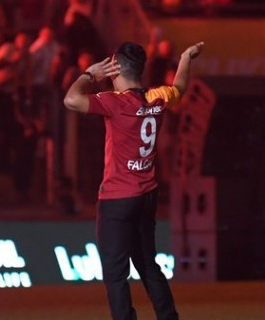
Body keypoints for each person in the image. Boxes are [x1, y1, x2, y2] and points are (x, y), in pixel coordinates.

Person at [63, 40, 205, 320]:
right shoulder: (157, 97)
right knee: (148, 265)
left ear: (114, 69)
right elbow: (180, 86)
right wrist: (186, 57)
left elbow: (71, 99)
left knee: (115, 272)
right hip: (146, 195)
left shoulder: (114, 102)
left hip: (117, 198)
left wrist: (90, 74)